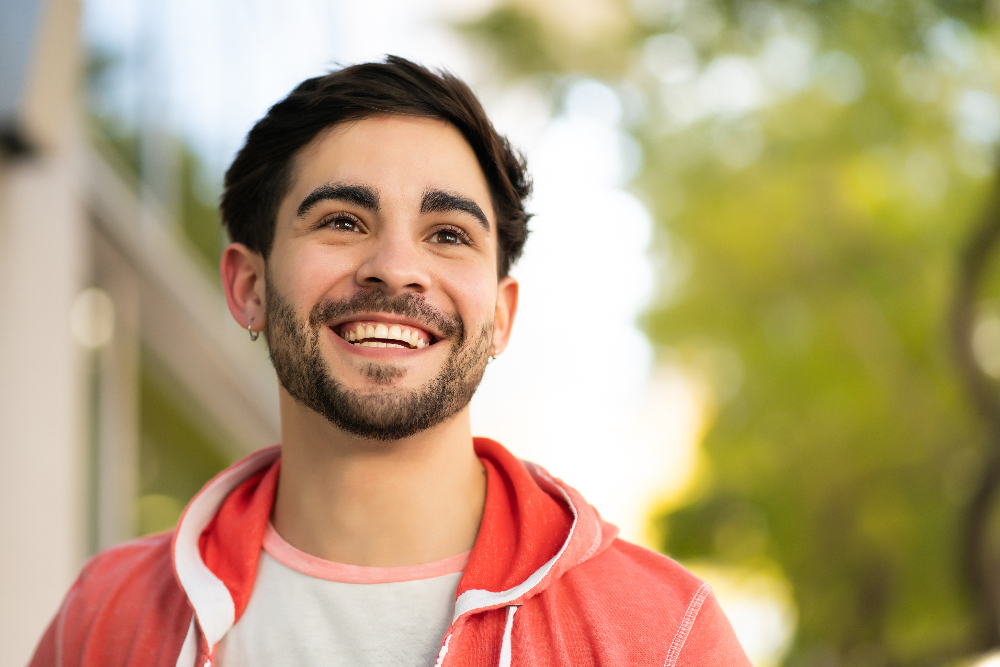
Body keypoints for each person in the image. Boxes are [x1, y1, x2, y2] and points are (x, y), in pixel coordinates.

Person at [29, 56, 750, 667]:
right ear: (249, 287)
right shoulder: (103, 619)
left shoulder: (662, 637)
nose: (396, 268)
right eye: (343, 221)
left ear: (500, 315)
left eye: (447, 233)